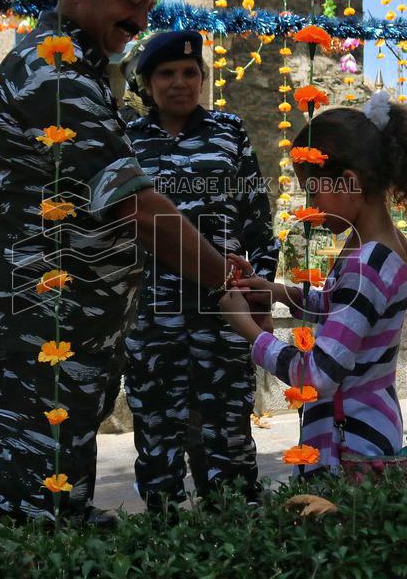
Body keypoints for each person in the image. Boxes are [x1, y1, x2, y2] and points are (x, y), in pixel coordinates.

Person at [0, 0, 239, 526]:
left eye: (148, 7)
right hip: (42, 315)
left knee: (62, 483)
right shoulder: (53, 73)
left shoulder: (85, 70)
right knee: (40, 503)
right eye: (129, 2)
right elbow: (132, 204)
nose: (139, 20)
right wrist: (224, 280)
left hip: (75, 317)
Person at [219, 93, 407, 472]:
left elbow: (318, 375)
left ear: (349, 183)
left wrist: (249, 333)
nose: (309, 205)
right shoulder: (385, 247)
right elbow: (349, 310)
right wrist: (279, 291)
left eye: (313, 189)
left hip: (349, 448)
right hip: (367, 427)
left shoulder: (368, 263)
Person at [122, 31, 278, 513]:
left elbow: (257, 218)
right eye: (166, 73)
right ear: (148, 83)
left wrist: (261, 294)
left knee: (228, 432)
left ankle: (235, 530)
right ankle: (164, 535)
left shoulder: (228, 132)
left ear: (203, 79)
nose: (179, 83)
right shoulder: (127, 139)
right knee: (156, 434)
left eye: (191, 73)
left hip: (222, 312)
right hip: (151, 314)